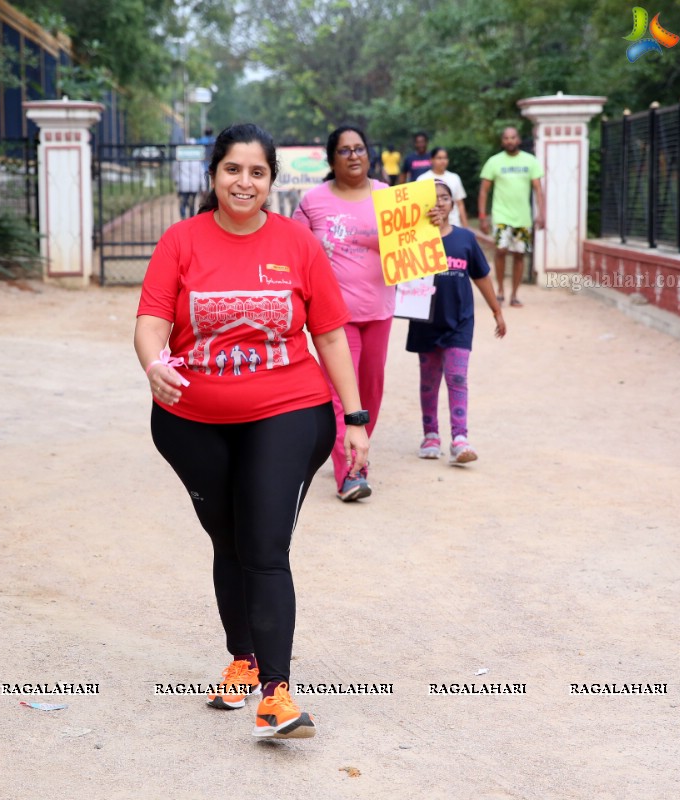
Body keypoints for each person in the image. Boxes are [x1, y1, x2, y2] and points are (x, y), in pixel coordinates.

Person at [135, 123, 370, 740]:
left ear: (271, 180)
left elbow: (328, 335)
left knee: (264, 547)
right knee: (229, 540)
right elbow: (152, 321)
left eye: (257, 172)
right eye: (233, 170)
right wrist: (155, 366)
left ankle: (276, 693)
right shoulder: (181, 241)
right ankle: (242, 658)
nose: (245, 182)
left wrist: (354, 416)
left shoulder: (297, 245)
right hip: (192, 421)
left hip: (287, 409)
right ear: (214, 175)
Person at [292, 125, 391, 502]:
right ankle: (350, 473)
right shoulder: (313, 201)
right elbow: (296, 251)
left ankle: (358, 448)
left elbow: (414, 245)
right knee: (340, 395)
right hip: (333, 318)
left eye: (360, 149)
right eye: (345, 150)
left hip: (379, 310)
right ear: (332, 159)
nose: (354, 156)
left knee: (370, 392)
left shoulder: (389, 197)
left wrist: (427, 223)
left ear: (369, 154)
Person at [408, 180, 506, 464]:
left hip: (460, 323)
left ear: (453, 204)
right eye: (433, 198)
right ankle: (431, 435)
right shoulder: (413, 239)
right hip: (425, 321)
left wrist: (496, 311)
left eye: (445, 198)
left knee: (458, 378)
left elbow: (481, 276)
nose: (439, 202)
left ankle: (460, 438)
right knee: (429, 383)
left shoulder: (465, 239)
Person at [477, 127, 544, 308]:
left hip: (523, 218)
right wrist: (483, 216)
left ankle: (514, 294)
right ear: (502, 141)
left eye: (513, 137)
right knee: (500, 251)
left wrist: (541, 214)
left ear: (519, 140)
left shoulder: (531, 161)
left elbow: (538, 190)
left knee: (520, 255)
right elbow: (484, 191)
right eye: (506, 138)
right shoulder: (494, 162)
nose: (510, 141)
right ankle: (500, 290)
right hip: (501, 216)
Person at [416, 147, 468, 227]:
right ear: (431, 160)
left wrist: (465, 225)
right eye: (439, 158)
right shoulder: (422, 179)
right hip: (432, 225)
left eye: (445, 158)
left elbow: (460, 204)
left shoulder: (455, 178)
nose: (443, 161)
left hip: (453, 223)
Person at [173, 148, 207, 219]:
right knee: (192, 204)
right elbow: (201, 173)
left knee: (183, 203)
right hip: (193, 186)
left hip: (183, 185)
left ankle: (183, 218)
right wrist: (203, 187)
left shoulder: (180, 159)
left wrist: (176, 180)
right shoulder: (197, 160)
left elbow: (175, 170)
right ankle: (191, 220)